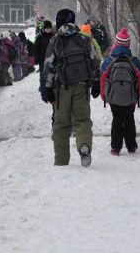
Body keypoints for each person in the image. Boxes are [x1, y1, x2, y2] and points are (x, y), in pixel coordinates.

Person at [43, 9, 101, 167]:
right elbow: (95, 61)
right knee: (82, 120)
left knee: (61, 125)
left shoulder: (55, 41)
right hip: (82, 85)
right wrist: (96, 82)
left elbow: (49, 65)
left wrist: (48, 88)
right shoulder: (84, 38)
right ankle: (84, 145)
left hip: (61, 88)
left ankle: (61, 162)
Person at [100, 28, 140, 156]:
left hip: (114, 98)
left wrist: (105, 96)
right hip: (130, 98)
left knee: (117, 120)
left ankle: (115, 148)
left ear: (116, 43)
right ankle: (131, 146)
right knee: (129, 119)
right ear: (128, 44)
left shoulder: (108, 61)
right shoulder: (135, 62)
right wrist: (137, 96)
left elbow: (103, 80)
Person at [34, 20, 54, 102]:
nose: (48, 30)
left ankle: (51, 94)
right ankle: (44, 95)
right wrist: (37, 59)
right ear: (44, 28)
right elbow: (36, 49)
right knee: (43, 78)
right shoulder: (40, 37)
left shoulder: (54, 37)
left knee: (51, 79)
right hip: (42, 61)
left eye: (49, 28)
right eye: (47, 28)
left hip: (52, 61)